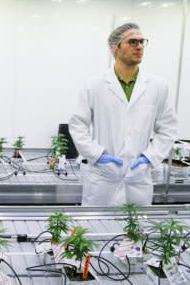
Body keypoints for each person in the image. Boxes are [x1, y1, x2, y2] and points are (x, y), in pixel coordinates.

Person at [69, 23, 177, 206]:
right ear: (115, 48)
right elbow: (78, 125)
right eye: (133, 42)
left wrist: (149, 158)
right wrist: (98, 155)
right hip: (103, 177)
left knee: (135, 231)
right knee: (98, 230)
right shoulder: (94, 85)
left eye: (142, 42)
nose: (140, 46)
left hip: (138, 178)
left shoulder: (158, 86)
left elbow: (168, 128)